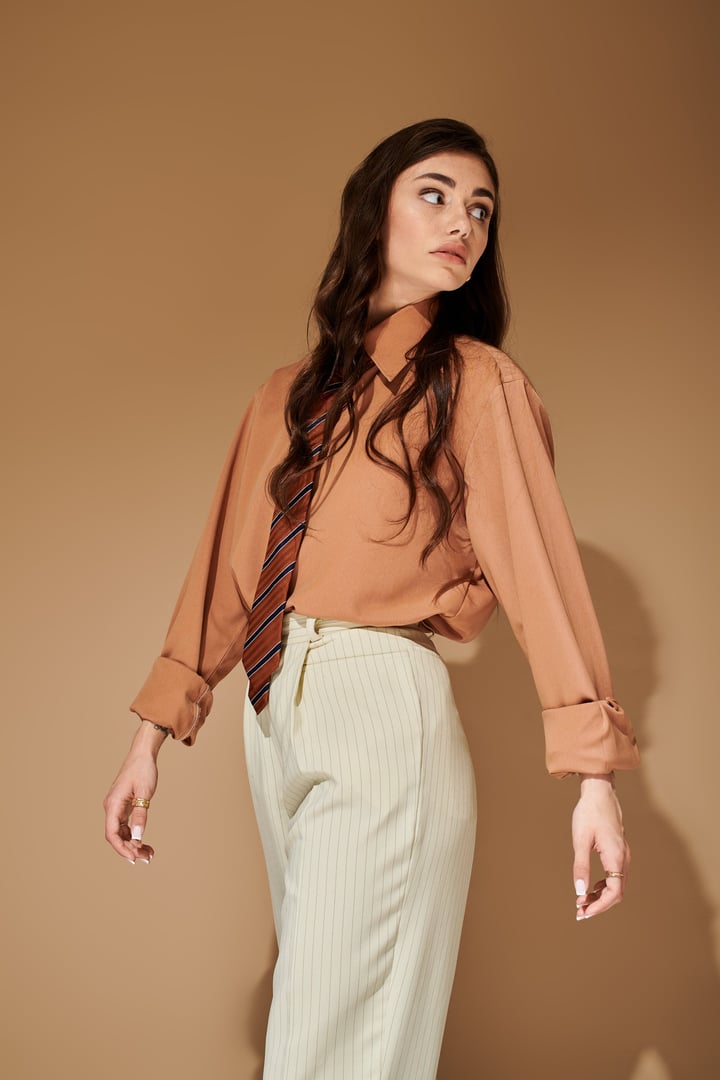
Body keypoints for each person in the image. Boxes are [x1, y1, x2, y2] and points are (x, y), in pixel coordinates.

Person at [103, 118, 641, 1078]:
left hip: (382, 707)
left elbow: (541, 573)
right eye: (434, 194)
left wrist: (593, 773)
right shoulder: (283, 396)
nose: (462, 224)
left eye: (480, 209)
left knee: (331, 1046)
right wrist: (152, 733)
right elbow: (227, 572)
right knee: (342, 1039)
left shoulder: (477, 385)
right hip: (273, 717)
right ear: (374, 213)